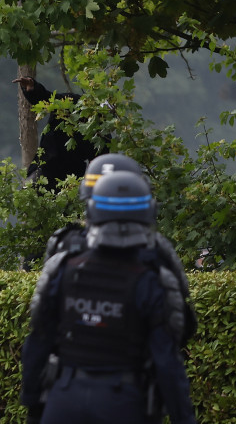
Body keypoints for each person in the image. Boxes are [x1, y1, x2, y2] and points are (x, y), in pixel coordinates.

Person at [21, 170, 197, 424]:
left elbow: (37, 342)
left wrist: (33, 407)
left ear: (92, 210)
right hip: (124, 403)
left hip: (64, 400)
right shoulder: (153, 278)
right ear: (147, 213)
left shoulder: (63, 267)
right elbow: (168, 363)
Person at [13, 76, 108, 190]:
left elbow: (98, 165)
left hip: (71, 179)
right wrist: (33, 87)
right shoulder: (71, 102)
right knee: (29, 194)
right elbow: (46, 99)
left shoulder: (102, 134)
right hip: (45, 166)